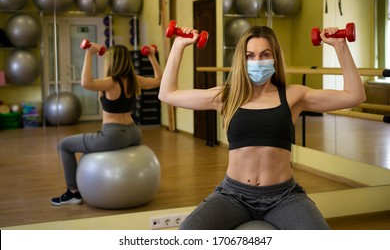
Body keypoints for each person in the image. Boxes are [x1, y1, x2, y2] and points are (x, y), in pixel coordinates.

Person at [158, 25, 366, 229]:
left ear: (275, 57)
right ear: (242, 60)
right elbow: (167, 94)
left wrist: (340, 46)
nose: (257, 61)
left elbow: (355, 96)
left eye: (265, 54)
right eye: (250, 55)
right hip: (233, 195)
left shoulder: (293, 95)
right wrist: (178, 46)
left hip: (283, 197)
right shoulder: (227, 96)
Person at [51, 43, 162, 206]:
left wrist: (89, 54)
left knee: (64, 145)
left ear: (110, 62)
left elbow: (86, 83)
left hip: (113, 135)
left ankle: (73, 192)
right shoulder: (135, 80)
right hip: (134, 133)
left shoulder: (110, 82)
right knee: (83, 144)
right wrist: (152, 56)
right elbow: (159, 80)